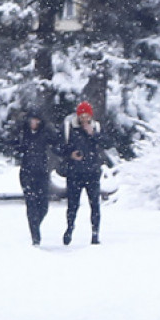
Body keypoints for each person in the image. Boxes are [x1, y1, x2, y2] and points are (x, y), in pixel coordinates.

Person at [61, 101, 107, 245]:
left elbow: (107, 143)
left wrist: (92, 134)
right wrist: (70, 154)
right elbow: (60, 147)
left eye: (87, 116)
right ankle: (70, 228)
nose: (84, 119)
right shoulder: (70, 128)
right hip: (75, 173)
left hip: (92, 172)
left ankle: (95, 233)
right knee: (72, 205)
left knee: (95, 205)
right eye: (82, 115)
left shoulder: (96, 128)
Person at [14, 111, 56, 245]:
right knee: (31, 204)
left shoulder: (44, 134)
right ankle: (35, 236)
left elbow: (56, 142)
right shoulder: (23, 134)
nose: (34, 123)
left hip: (42, 173)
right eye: (32, 120)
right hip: (27, 173)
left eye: (37, 121)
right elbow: (14, 145)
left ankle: (35, 224)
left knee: (43, 206)